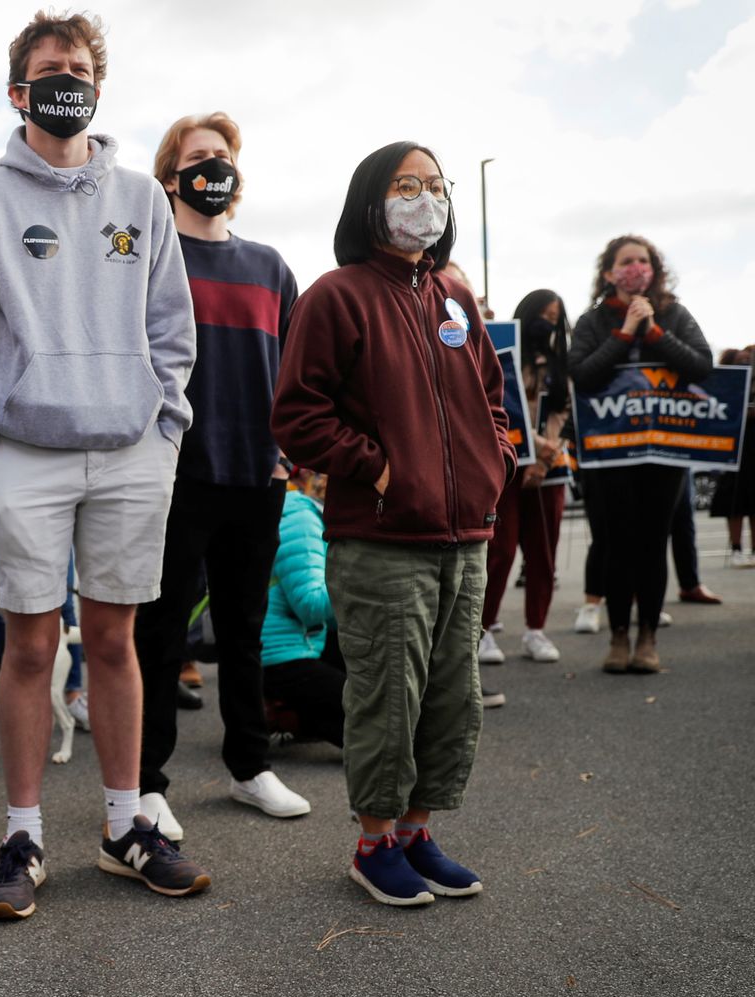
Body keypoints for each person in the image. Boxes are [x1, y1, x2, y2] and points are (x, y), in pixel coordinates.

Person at [0, 11, 210, 919]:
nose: (66, 79)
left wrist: (163, 429)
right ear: (18, 90)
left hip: (130, 452)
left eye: (80, 67)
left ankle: (126, 824)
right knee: (32, 647)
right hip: (25, 459)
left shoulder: (143, 199)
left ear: (98, 83)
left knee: (118, 642)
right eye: (50, 68)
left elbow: (173, 331)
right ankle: (23, 834)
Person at [273, 141, 516, 908]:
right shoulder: (335, 295)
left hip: (464, 536)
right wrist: (380, 469)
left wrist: (496, 461)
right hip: (380, 539)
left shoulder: (453, 296)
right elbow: (297, 415)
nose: (425, 197)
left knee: (453, 694)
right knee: (388, 693)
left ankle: (417, 829)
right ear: (372, 199)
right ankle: (374, 840)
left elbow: (492, 397)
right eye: (407, 184)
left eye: (436, 185)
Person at [133, 109, 308, 845]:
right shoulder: (147, 256)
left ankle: (249, 766)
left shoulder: (270, 267)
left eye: (223, 155)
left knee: (242, 631)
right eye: (198, 156)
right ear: (170, 174)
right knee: (161, 634)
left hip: (255, 476)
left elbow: (299, 374)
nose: (214, 167)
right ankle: (145, 785)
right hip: (175, 475)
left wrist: (286, 455)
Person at [568, 235, 712, 673]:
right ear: (609, 272)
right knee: (616, 543)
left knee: (653, 542)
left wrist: (653, 332)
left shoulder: (673, 314)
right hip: (612, 454)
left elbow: (701, 364)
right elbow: (582, 374)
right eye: (626, 261)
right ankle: (617, 636)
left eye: (643, 261)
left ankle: (647, 636)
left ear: (654, 269)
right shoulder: (592, 322)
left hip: (663, 453)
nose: (636, 267)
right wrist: (624, 333)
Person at [479, 290, 573, 666]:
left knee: (542, 554)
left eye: (555, 319)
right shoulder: (505, 357)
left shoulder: (560, 365)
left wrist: (545, 455)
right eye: (543, 316)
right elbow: (499, 409)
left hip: (549, 471)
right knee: (498, 552)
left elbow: (564, 415)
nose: (548, 325)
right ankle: (483, 630)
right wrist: (529, 449)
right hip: (509, 467)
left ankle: (536, 629)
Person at [260, 469, 345, 749]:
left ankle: (291, 715)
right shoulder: (299, 518)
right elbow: (310, 606)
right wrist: (361, 583)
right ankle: (288, 714)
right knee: (376, 713)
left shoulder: (290, 511)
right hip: (284, 658)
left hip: (282, 650)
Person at [709, 346, 755, 567]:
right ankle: (736, 549)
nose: (747, 363)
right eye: (742, 360)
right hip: (733, 451)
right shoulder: (725, 386)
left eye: (750, 360)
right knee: (734, 504)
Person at [672, 475, 721, 604]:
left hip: (679, 462)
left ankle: (690, 585)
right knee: (650, 528)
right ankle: (644, 597)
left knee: (684, 522)